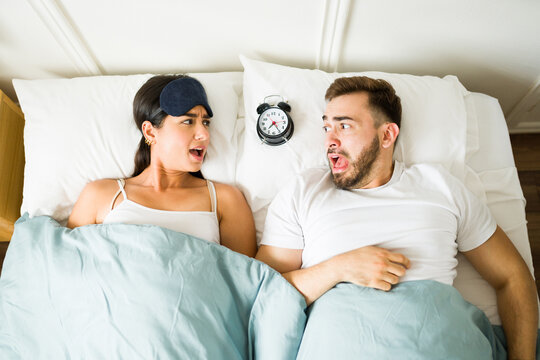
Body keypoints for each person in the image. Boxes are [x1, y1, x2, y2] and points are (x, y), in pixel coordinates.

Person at [256, 76, 538, 358]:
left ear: (387, 135)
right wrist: (339, 269)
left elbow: (512, 277)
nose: (329, 139)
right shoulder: (303, 192)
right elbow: (263, 293)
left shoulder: (441, 187)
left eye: (344, 126)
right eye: (327, 127)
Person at [68, 75, 256, 257]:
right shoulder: (100, 195)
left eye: (205, 122)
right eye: (188, 121)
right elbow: (65, 268)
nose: (204, 134)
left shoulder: (226, 200)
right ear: (150, 132)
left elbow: (248, 280)